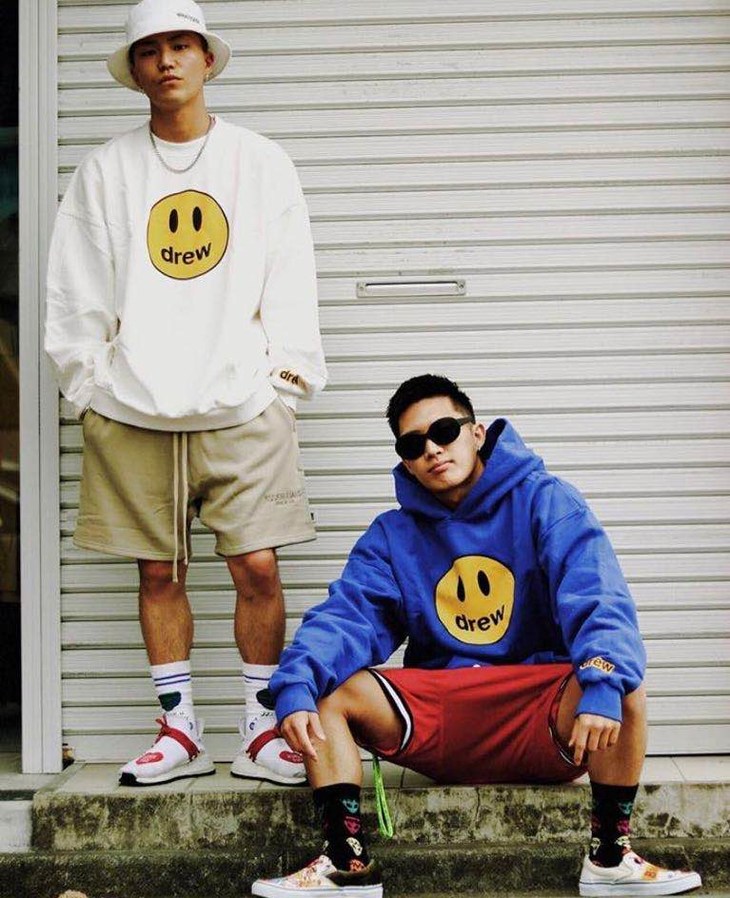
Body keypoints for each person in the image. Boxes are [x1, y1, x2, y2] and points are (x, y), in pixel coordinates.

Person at [251, 374, 702, 898]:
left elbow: (597, 594)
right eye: (413, 444)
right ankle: (345, 865)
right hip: (443, 717)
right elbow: (347, 616)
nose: (432, 449)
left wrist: (602, 679)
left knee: (619, 680)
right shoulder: (393, 535)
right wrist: (297, 683)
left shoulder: (545, 501)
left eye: (444, 431)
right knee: (326, 690)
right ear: (405, 461)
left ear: (477, 432)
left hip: (538, 712)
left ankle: (610, 858)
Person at [44, 0, 327, 788]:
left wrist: (284, 384)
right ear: (134, 71)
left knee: (258, 567)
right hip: (132, 407)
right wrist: (89, 388)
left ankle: (262, 729)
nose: (166, 61)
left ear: (206, 59)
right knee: (157, 572)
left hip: (243, 403)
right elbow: (74, 289)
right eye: (150, 50)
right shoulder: (106, 170)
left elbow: (291, 277)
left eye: (180, 45)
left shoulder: (258, 161)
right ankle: (179, 730)